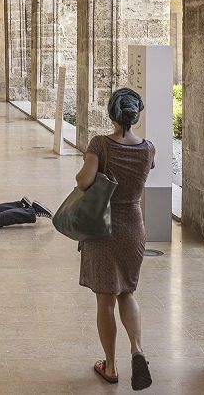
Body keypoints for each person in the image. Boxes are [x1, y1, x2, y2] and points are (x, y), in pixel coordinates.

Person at [74, 88, 154, 390]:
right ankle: (137, 349)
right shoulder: (149, 149)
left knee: (105, 299)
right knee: (127, 293)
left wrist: (87, 164)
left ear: (111, 113)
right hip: (134, 226)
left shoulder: (100, 144)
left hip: (103, 227)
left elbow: (84, 182)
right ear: (136, 115)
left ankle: (109, 365)